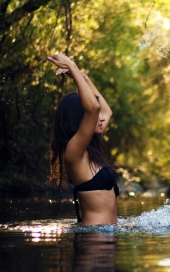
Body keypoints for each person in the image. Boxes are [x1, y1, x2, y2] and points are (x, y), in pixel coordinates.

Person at [46, 53, 119, 226]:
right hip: (93, 242)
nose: (101, 118)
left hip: (107, 239)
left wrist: (83, 77)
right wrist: (72, 66)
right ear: (80, 119)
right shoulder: (74, 153)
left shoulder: (90, 149)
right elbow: (93, 109)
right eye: (93, 116)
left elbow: (106, 112)